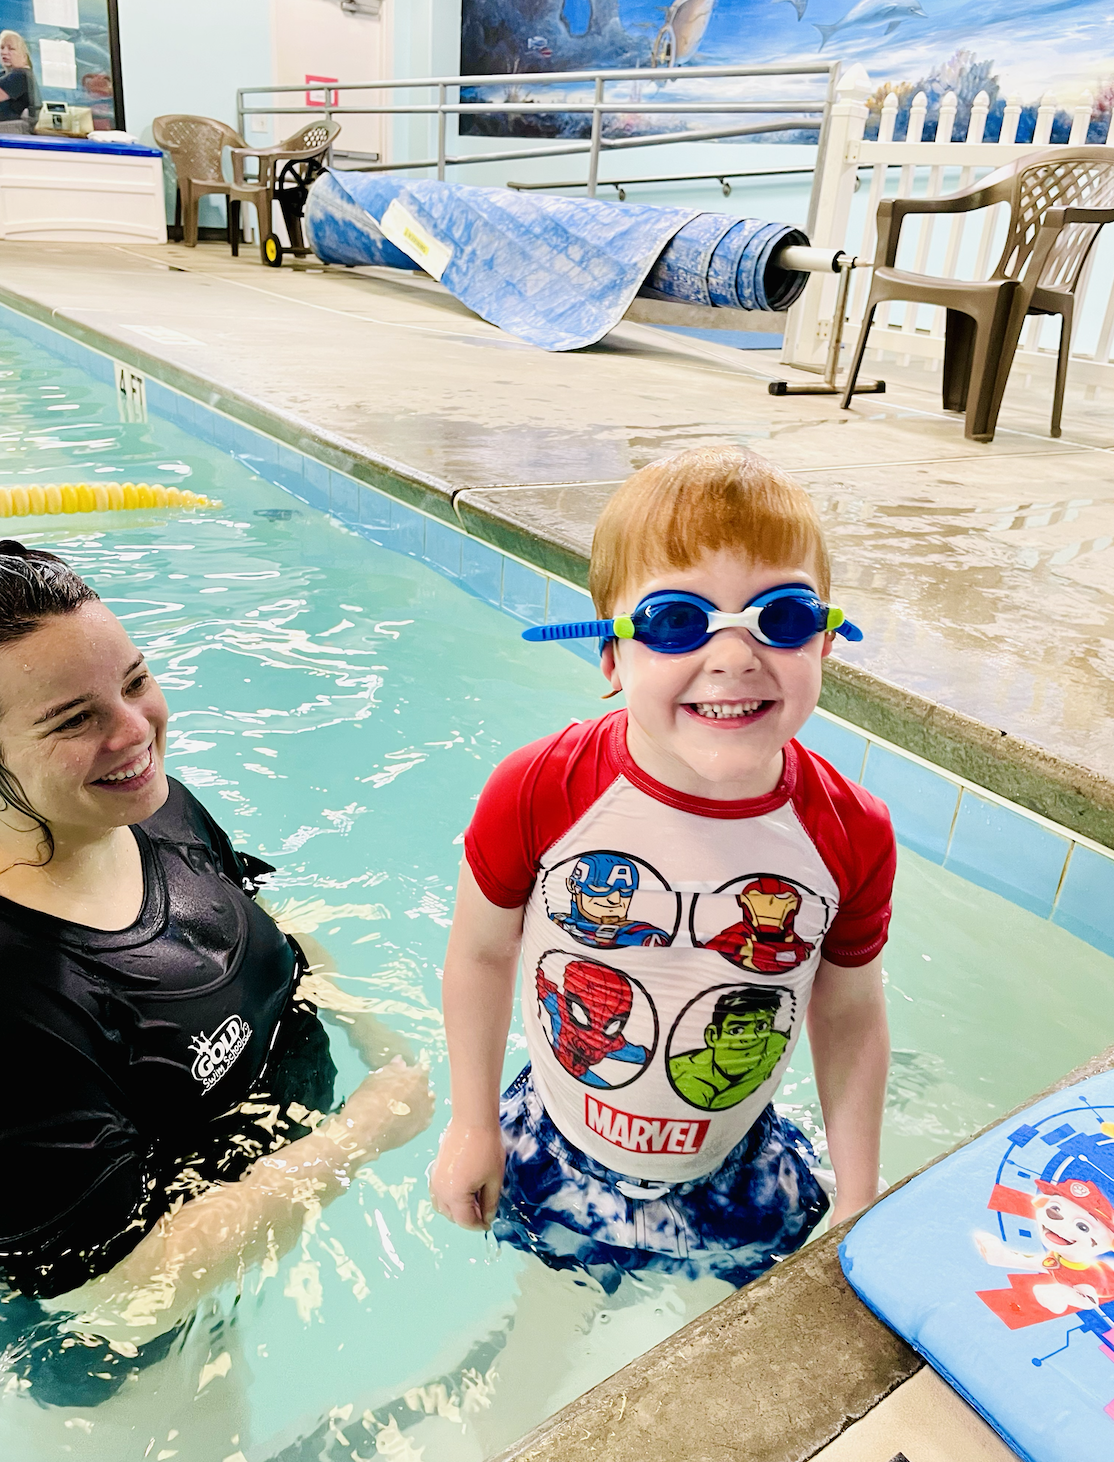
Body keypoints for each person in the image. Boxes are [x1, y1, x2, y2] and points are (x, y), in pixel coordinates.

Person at [431, 446, 895, 1293]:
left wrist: (859, 1195)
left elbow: (851, 1006)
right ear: (611, 654)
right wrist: (472, 1124)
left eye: (782, 617)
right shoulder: (540, 789)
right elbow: (481, 953)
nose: (733, 657)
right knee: (548, 1332)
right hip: (559, 1140)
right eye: (679, 621)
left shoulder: (850, 832)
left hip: (736, 1160)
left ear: (826, 640)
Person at [0, 541, 432, 1394]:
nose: (135, 732)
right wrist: (360, 1137)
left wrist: (366, 1025)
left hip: (276, 1200)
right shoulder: (18, 1010)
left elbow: (263, 914)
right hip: (141, 1364)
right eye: (73, 719)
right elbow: (120, 1298)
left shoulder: (142, 803)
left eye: (134, 681)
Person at [0, 31, 39, 133]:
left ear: (24, 56)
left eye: (11, 49)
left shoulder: (21, 75)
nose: (4, 52)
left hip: (12, 133)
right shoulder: (4, 74)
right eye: (1, 47)